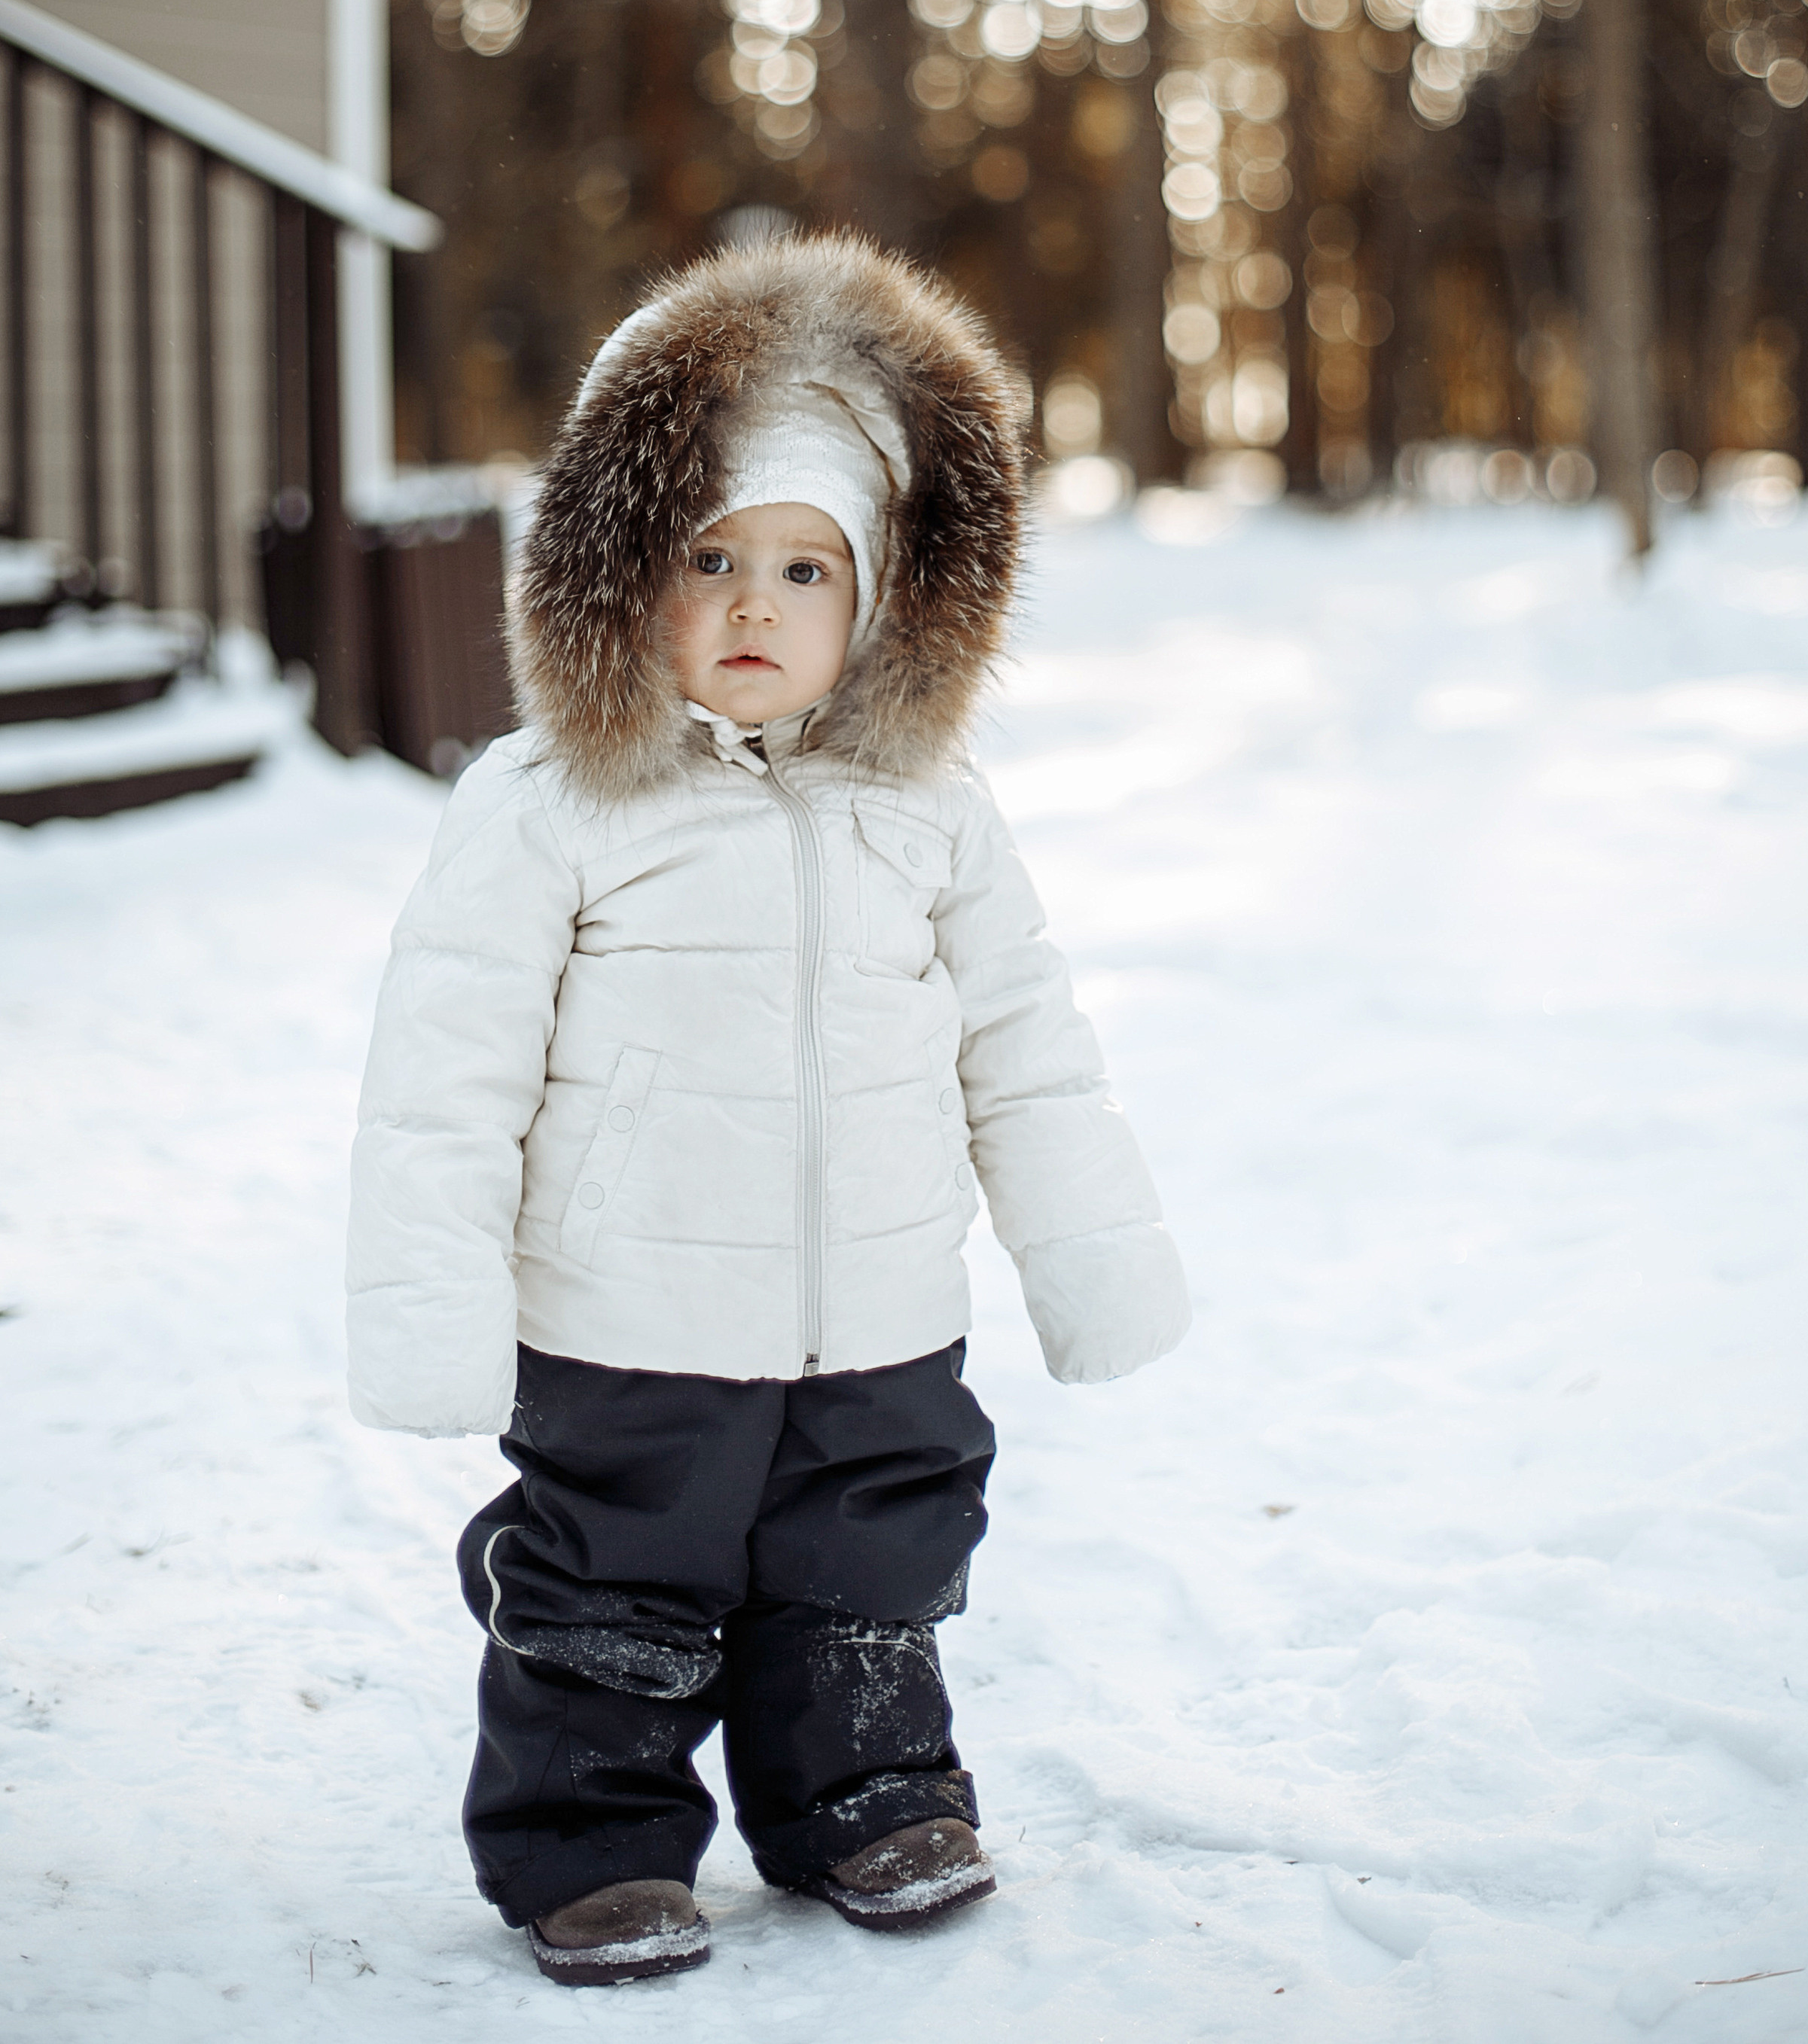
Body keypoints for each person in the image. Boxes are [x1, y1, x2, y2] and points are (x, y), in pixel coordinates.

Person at [346, 233, 1191, 1988]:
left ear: (885, 601)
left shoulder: (932, 810)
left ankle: (866, 1792)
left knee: (868, 1573)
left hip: (881, 1320)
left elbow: (1030, 1046)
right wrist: (432, 1325)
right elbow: (443, 1082)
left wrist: (1093, 1263)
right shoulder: (553, 803)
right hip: (629, 1327)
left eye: (807, 566)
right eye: (708, 555)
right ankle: (591, 1839)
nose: (752, 604)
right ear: (614, 574)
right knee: (613, 1593)